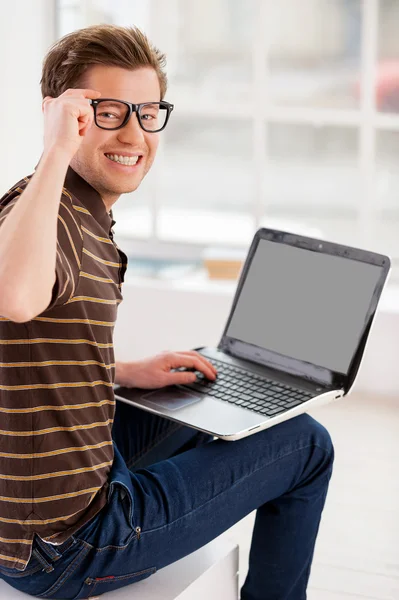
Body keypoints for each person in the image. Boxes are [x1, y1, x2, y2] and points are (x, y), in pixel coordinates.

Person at [0, 24, 334, 600]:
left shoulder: (46, 202)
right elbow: (15, 298)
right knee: (306, 445)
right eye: (108, 112)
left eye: (148, 112)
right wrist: (56, 147)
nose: (134, 133)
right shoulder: (51, 218)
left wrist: (122, 372)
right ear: (63, 114)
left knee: (200, 405)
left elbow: (24, 338)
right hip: (66, 545)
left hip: (31, 511)